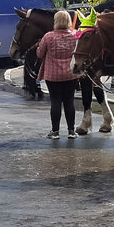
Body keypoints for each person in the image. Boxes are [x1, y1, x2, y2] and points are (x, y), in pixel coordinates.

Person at [35, 10, 79, 139]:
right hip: (71, 74)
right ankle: (71, 131)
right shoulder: (75, 35)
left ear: (56, 21)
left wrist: (39, 47)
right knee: (69, 102)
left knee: (55, 102)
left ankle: (55, 131)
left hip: (52, 75)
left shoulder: (48, 36)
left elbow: (40, 54)